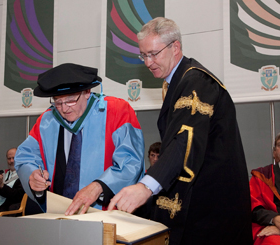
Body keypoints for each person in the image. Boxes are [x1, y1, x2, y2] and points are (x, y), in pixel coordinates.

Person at [108, 17, 252, 244]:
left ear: (175, 47)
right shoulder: (177, 81)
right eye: (143, 55)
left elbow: (183, 140)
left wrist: (146, 186)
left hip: (212, 210)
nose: (148, 62)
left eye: (153, 54)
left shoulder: (197, 82)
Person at [15, 63, 145, 215]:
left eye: (70, 100)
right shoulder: (47, 121)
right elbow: (25, 156)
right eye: (57, 101)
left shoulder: (117, 111)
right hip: (59, 212)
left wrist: (99, 186)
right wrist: (32, 174)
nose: (64, 108)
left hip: (106, 213)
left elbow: (132, 162)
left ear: (87, 92)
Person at [250, 133, 280, 244]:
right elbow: (254, 208)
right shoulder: (261, 176)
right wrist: (275, 219)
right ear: (274, 153)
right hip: (269, 225)